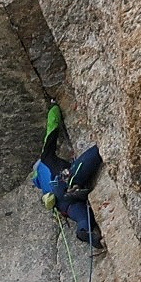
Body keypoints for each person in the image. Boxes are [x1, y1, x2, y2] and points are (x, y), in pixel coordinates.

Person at [30, 104, 104, 246]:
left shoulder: (43, 188)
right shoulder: (45, 158)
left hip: (64, 206)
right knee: (94, 154)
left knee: (83, 216)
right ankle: (75, 188)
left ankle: (84, 231)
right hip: (63, 182)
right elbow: (52, 127)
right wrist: (54, 106)